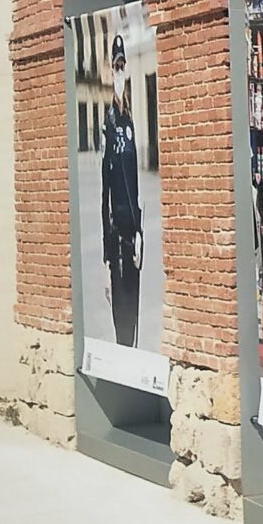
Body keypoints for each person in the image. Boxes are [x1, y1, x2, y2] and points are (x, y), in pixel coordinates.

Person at [100, 31, 144, 345]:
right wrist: (105, 260)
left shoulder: (129, 122)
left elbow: (136, 183)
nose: (119, 73)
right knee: (122, 324)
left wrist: (141, 231)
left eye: (122, 67)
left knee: (136, 318)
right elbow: (105, 196)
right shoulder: (110, 124)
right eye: (115, 67)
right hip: (116, 240)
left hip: (133, 238)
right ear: (109, 73)